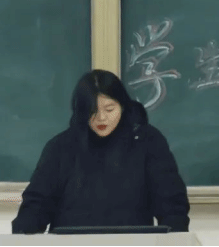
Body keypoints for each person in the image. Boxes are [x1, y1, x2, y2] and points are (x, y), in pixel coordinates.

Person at [12, 69, 190, 234]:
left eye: (109, 109)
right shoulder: (61, 147)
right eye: (92, 111)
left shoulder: (148, 141)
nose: (102, 117)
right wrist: (24, 233)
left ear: (122, 105)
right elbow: (37, 204)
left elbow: (171, 203)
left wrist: (175, 237)